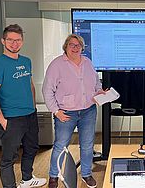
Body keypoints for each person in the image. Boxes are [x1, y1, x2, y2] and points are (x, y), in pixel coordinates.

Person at [0, 24, 46, 188]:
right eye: (10, 40)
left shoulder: (26, 61)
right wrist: (3, 121)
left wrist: (33, 107)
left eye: (18, 40)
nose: (14, 44)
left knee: (32, 148)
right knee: (8, 158)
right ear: (3, 41)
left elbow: (30, 85)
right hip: (11, 118)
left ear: (22, 41)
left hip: (30, 115)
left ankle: (27, 179)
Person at [42, 34, 105, 188]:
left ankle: (86, 174)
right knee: (60, 145)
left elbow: (95, 84)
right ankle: (53, 176)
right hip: (65, 113)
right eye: (72, 45)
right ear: (66, 47)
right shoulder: (56, 65)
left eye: (78, 45)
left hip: (88, 111)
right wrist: (56, 111)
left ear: (82, 48)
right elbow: (47, 90)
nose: (75, 48)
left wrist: (100, 92)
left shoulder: (88, 63)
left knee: (87, 145)